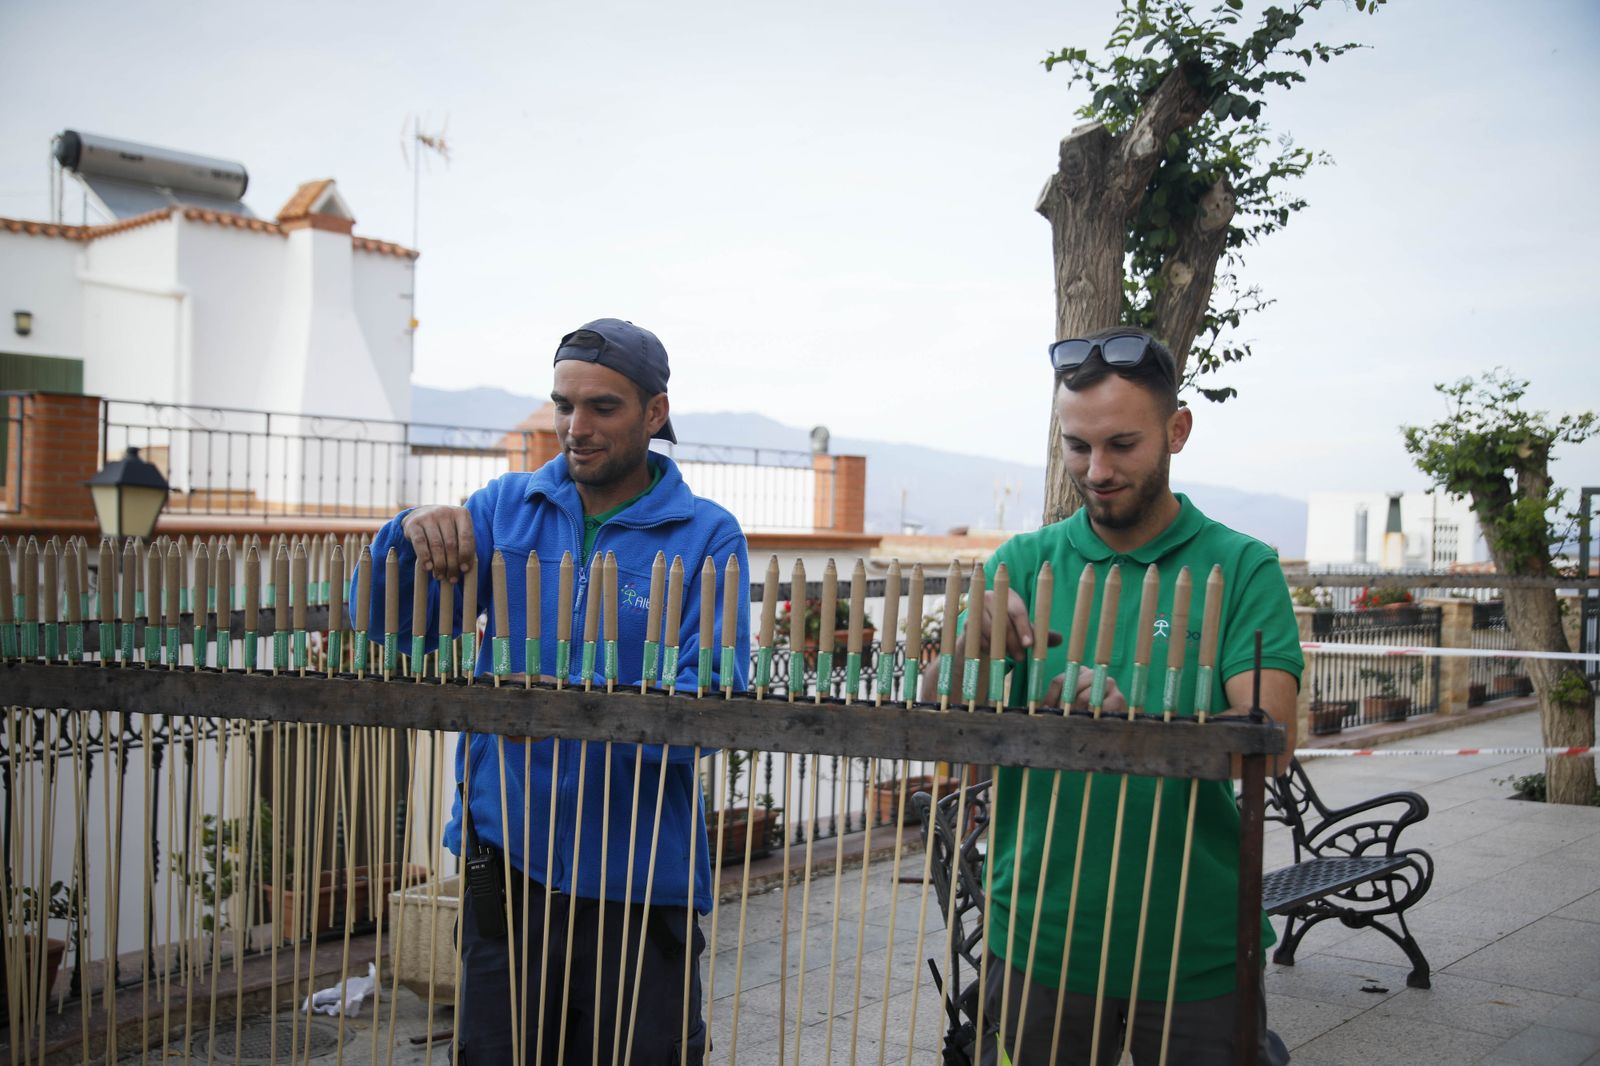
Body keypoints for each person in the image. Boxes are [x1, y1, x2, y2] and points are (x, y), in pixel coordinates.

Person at [359, 318, 750, 1065]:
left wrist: (570, 716)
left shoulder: (705, 536)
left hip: (640, 885)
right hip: (506, 869)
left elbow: (712, 701)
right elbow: (392, 629)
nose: (576, 428)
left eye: (603, 407)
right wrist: (407, 533)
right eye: (564, 405)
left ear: (655, 414)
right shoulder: (507, 508)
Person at [966, 326, 1300, 1065]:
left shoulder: (1241, 568)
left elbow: (1270, 740)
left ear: (1177, 431)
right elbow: (940, 723)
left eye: (1122, 444)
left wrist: (1142, 729)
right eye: (1076, 446)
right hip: (1036, 936)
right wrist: (972, 643)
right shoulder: (1022, 563)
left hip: (1198, 946)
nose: (1097, 469)